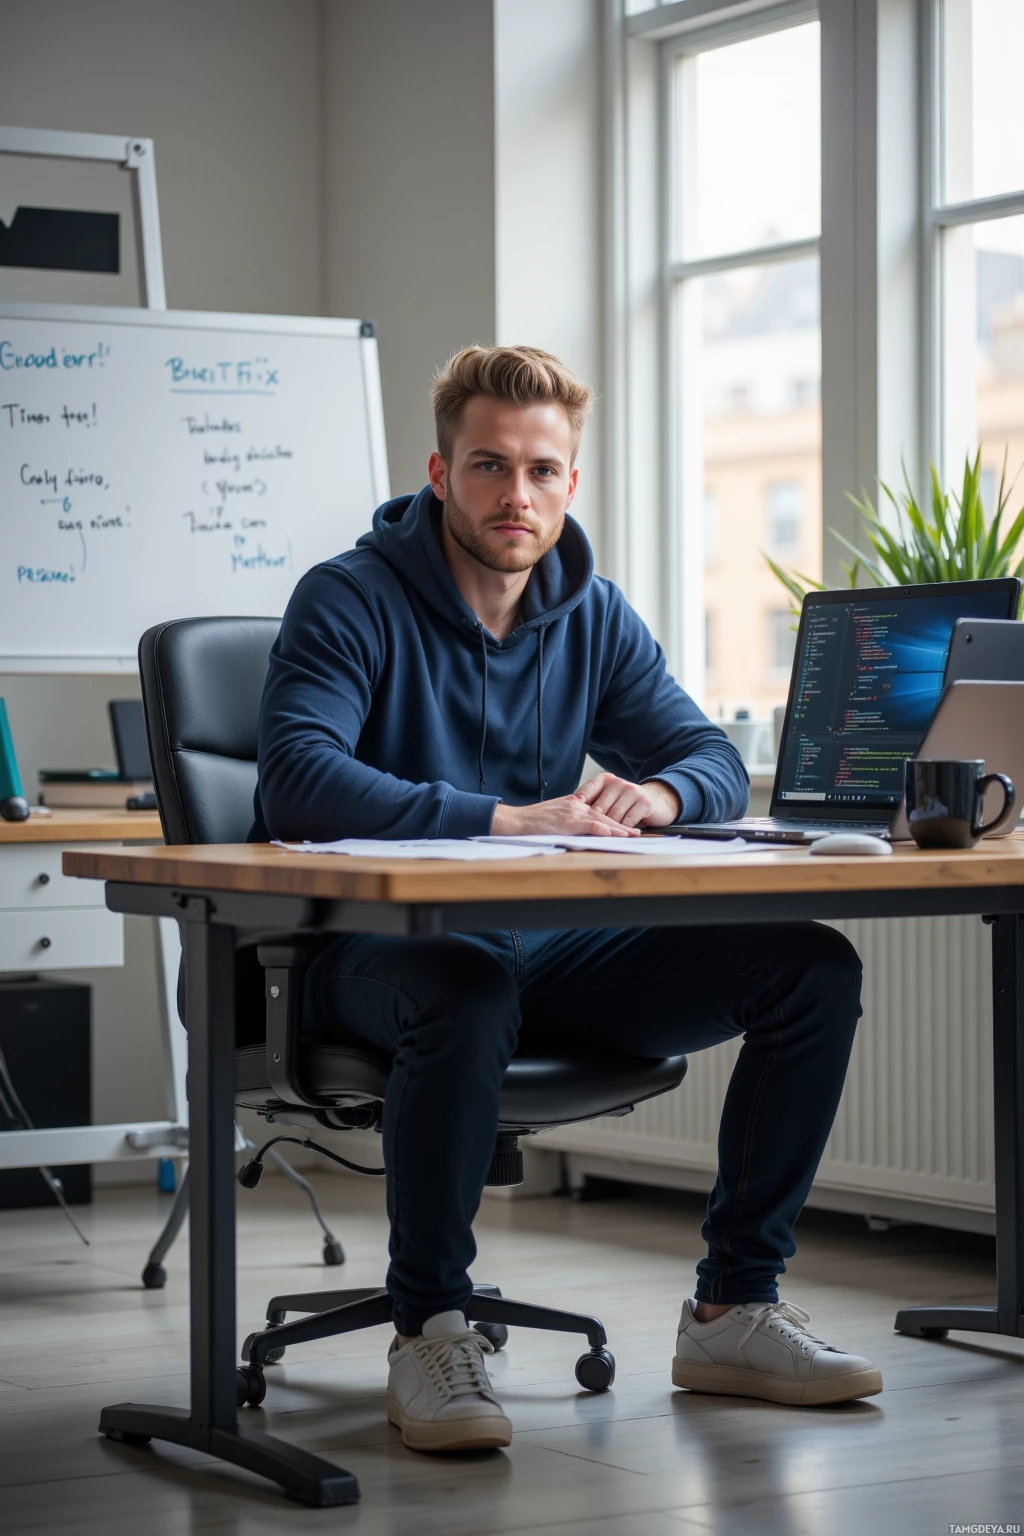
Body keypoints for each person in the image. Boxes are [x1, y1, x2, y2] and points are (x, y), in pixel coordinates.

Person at [251, 344, 878, 1454]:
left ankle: (733, 1311)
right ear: (440, 474)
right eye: (489, 467)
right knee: (467, 981)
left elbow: (709, 757)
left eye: (542, 471)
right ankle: (429, 1326)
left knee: (810, 963)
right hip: (361, 953)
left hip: (540, 949)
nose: (517, 495)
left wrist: (658, 793)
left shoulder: (587, 612)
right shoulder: (348, 597)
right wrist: (501, 820)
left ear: (570, 484)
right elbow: (298, 775)